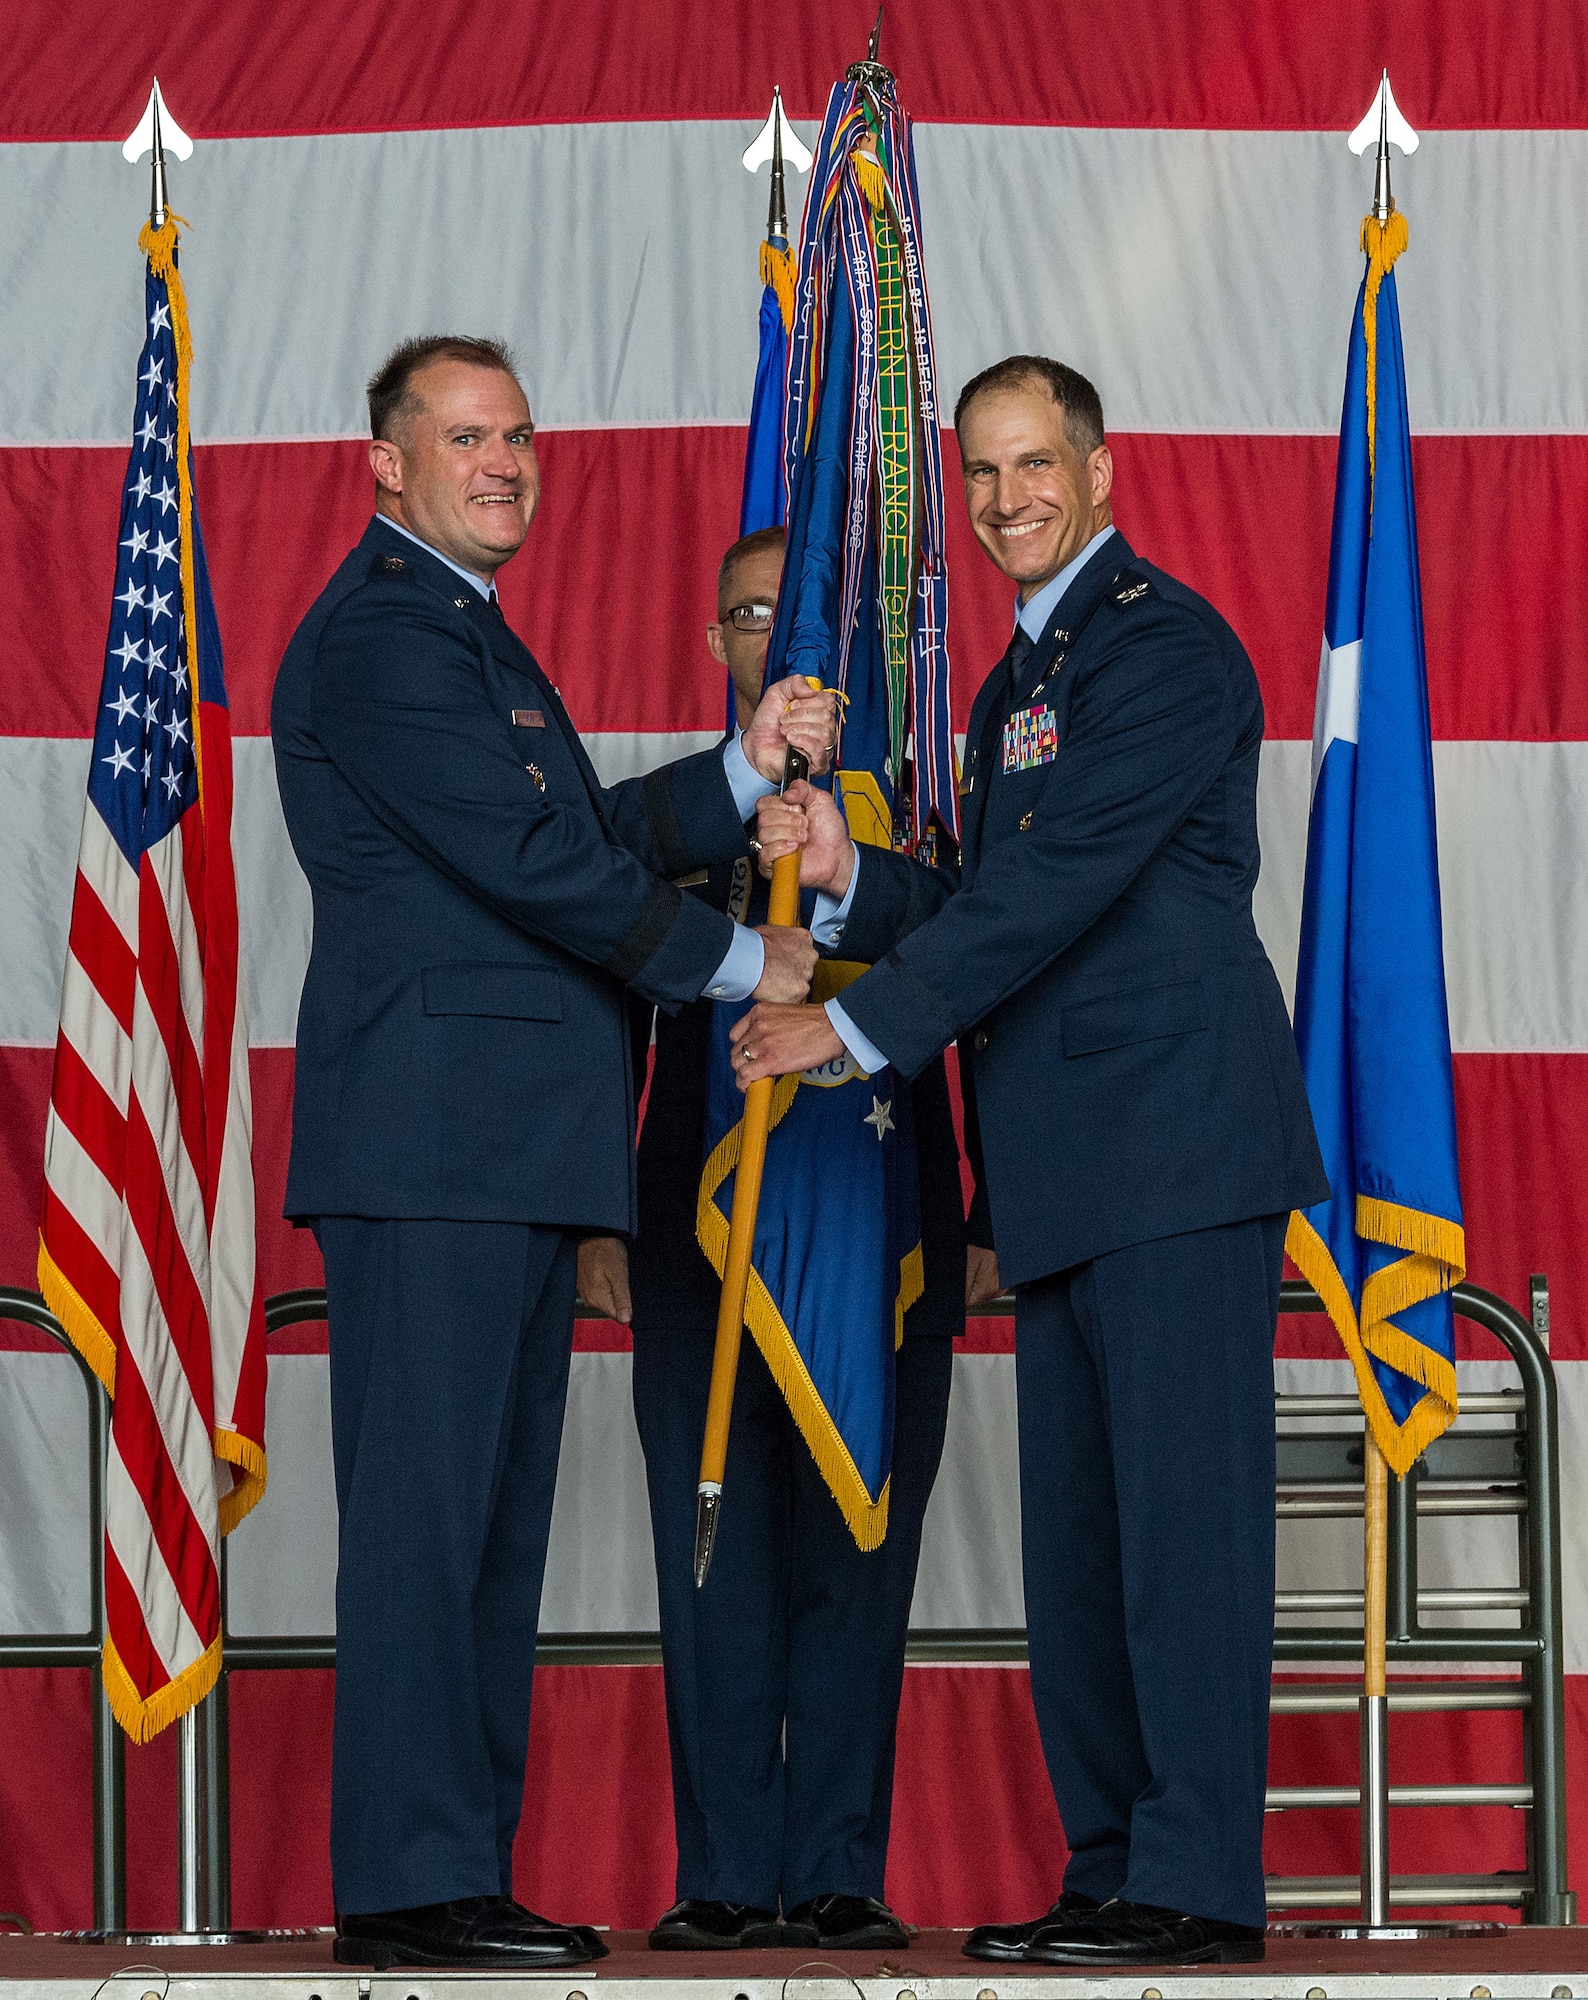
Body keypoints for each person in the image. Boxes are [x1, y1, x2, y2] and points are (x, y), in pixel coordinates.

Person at [734, 356, 1330, 1967]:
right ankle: (1116, 1865)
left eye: (1033, 466)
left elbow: (1052, 897)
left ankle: (1197, 1886)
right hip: (1072, 1169)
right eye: (981, 476)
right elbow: (989, 911)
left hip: (1177, 1150)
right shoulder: (1014, 689)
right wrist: (858, 873)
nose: (1007, 502)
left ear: (1101, 466)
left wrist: (852, 1038)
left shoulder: (1165, 652)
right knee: (1082, 1556)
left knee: (1181, 1541)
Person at [270, 335, 837, 1971]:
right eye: (464, 437)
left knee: (490, 1537)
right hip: (435, 1147)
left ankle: (455, 1874)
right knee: (428, 1535)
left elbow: (574, 831)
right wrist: (747, 965)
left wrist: (739, 772)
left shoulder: (470, 637)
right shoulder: (385, 634)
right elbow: (535, 862)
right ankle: (406, 1884)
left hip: (502, 1150)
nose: (503, 460)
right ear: (388, 463)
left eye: (517, 433)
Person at [577, 524, 986, 1951]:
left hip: (889, 1229)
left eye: (797, 619)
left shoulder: (912, 815)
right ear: (717, 644)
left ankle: (837, 1871)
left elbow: (988, 994)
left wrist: (981, 1207)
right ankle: (723, 1876)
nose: (779, 641)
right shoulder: (682, 822)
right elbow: (599, 1013)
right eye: (750, 616)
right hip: (690, 1231)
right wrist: (595, 1218)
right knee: (713, 1561)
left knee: (859, 1555)